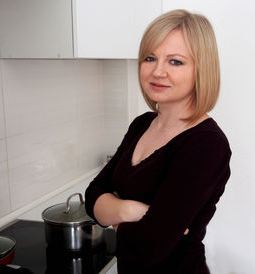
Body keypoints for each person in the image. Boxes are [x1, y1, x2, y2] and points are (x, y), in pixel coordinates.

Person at [85, 9, 231, 274]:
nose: (158, 71)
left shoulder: (206, 145)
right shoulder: (142, 123)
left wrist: (113, 214)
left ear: (201, 69)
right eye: (150, 58)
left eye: (175, 62)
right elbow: (93, 195)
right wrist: (132, 211)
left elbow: (144, 249)